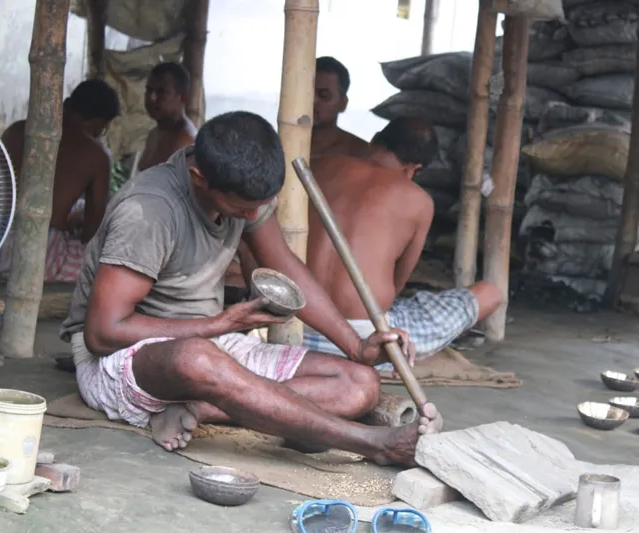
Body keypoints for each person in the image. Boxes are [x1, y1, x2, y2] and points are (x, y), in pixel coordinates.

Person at [59, 111, 440, 466]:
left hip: (209, 346)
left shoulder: (245, 194)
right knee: (195, 359)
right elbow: (103, 334)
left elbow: (284, 264)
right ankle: (373, 443)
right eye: (242, 209)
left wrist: (356, 346)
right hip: (123, 360)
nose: (251, 217)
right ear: (199, 178)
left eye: (259, 207)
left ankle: (203, 407)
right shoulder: (148, 211)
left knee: (360, 385)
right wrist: (216, 325)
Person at [301, 118, 503, 362]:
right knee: (490, 293)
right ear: (413, 170)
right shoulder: (419, 201)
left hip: (293, 321)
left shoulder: (319, 165)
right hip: (366, 340)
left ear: (374, 140)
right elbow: (398, 284)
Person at [0, 79, 119, 282]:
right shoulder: (97, 155)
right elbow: (93, 233)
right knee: (102, 264)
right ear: (99, 124)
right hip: (38, 255)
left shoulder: (16, 130)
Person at [136, 62, 197, 172]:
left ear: (183, 98)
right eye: (149, 90)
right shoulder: (155, 133)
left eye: (161, 92)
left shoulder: (185, 143)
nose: (151, 98)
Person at [311, 56, 369, 159]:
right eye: (307, 94)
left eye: (324, 95)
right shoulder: (281, 145)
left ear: (343, 103)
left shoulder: (361, 153)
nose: (313, 101)